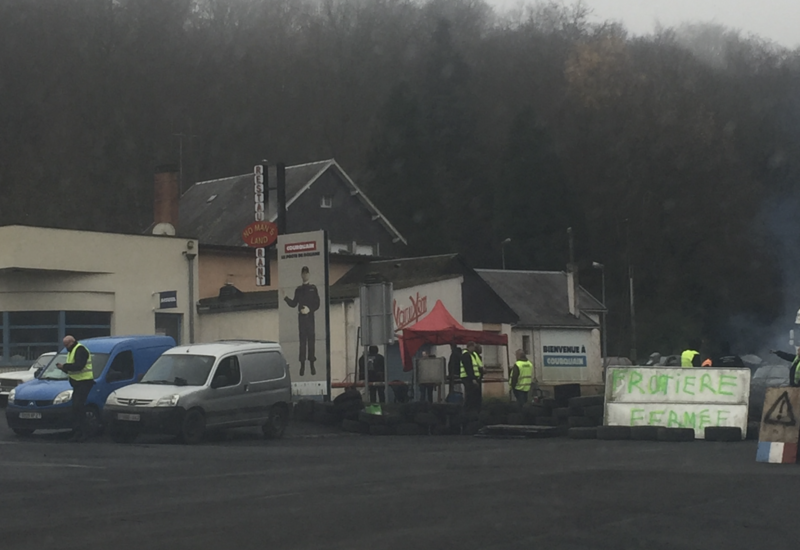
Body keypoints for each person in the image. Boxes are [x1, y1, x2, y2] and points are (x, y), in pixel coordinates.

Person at [283, 266, 320, 377]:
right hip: (302, 319)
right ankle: (302, 364)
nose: (305, 275)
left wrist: (310, 309)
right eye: (303, 274)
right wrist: (285, 297)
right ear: (301, 275)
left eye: (306, 273)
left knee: (311, 341)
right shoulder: (298, 289)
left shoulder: (313, 288)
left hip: (310, 318)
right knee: (302, 343)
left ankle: (312, 364)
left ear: (309, 275)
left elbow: (317, 303)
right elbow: (294, 303)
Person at [56, 335, 94, 442]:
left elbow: (79, 366)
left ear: (72, 342)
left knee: (78, 407)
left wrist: (65, 367)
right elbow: (73, 369)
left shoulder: (80, 350)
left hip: (84, 382)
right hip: (77, 383)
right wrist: (64, 368)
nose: (66, 347)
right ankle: (78, 432)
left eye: (67, 345)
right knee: (76, 408)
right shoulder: (72, 351)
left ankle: (84, 433)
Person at [460, 342, 482, 412]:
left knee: (473, 396)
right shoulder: (466, 355)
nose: (474, 349)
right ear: (470, 347)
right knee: (470, 396)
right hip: (467, 379)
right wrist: (473, 378)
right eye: (473, 347)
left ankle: (471, 411)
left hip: (469, 378)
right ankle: (467, 411)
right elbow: (468, 368)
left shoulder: (470, 355)